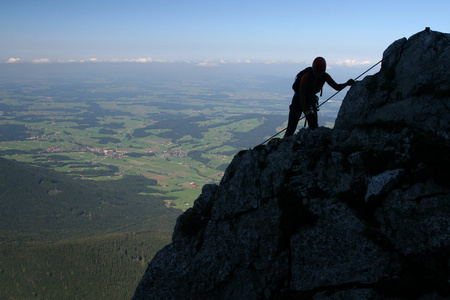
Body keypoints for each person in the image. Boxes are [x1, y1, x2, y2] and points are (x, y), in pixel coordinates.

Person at [284, 57, 354, 137]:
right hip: (298, 101)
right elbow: (302, 95)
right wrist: (307, 112)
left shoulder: (325, 76)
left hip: (310, 100)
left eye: (319, 73)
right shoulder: (306, 76)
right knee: (291, 128)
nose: (317, 75)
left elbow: (336, 87)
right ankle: (282, 145)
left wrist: (347, 83)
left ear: (323, 71)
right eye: (316, 72)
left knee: (313, 125)